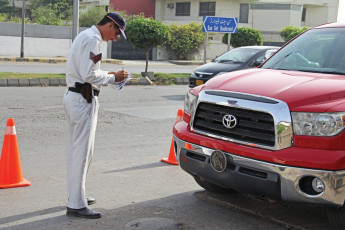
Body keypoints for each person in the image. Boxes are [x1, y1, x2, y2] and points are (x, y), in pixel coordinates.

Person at [63, 12, 129, 219]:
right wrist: (113, 77)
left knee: (76, 151)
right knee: (82, 152)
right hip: (83, 100)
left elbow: (86, 71)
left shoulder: (85, 36)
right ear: (109, 25)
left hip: (75, 97)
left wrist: (108, 76)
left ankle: (76, 195)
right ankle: (76, 204)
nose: (116, 38)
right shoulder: (93, 40)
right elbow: (88, 74)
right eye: (117, 33)